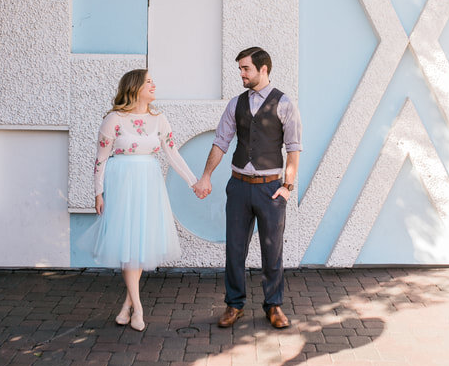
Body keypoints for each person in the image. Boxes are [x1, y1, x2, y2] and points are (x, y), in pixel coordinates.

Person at [81, 69, 198, 332]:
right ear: (134, 87)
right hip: (122, 181)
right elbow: (100, 158)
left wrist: (193, 182)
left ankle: (127, 306)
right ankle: (139, 309)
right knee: (127, 243)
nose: (154, 84)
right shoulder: (114, 119)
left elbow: (173, 154)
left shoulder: (159, 119)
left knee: (138, 243)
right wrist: (98, 193)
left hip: (148, 182)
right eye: (148, 81)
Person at [194, 47, 302, 329]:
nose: (241, 73)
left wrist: (288, 186)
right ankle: (234, 305)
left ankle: (274, 305)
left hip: (270, 189)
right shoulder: (235, 104)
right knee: (235, 248)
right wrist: (206, 175)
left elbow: (293, 149)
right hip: (239, 187)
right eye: (240, 68)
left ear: (263, 69)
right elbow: (221, 142)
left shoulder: (285, 104)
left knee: (272, 250)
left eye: (246, 69)